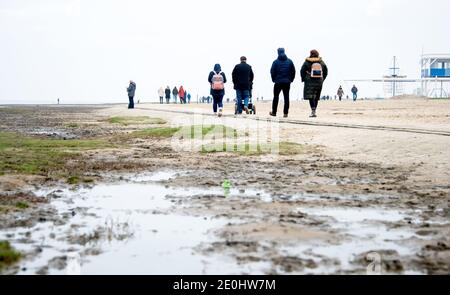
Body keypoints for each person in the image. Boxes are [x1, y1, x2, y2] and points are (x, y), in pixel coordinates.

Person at [301, 50, 328, 118]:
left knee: (311, 96)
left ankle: (313, 110)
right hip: (319, 81)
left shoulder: (307, 62)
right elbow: (326, 71)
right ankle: (314, 109)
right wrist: (322, 79)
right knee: (316, 96)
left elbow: (302, 70)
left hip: (309, 80)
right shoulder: (321, 62)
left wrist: (304, 78)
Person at [269, 48, 296, 118]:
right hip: (287, 82)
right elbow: (293, 71)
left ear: (278, 53)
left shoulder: (275, 62)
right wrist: (291, 79)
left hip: (278, 82)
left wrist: (273, 79)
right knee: (286, 97)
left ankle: (274, 112)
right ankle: (285, 113)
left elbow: (272, 72)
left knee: (275, 97)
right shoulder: (290, 61)